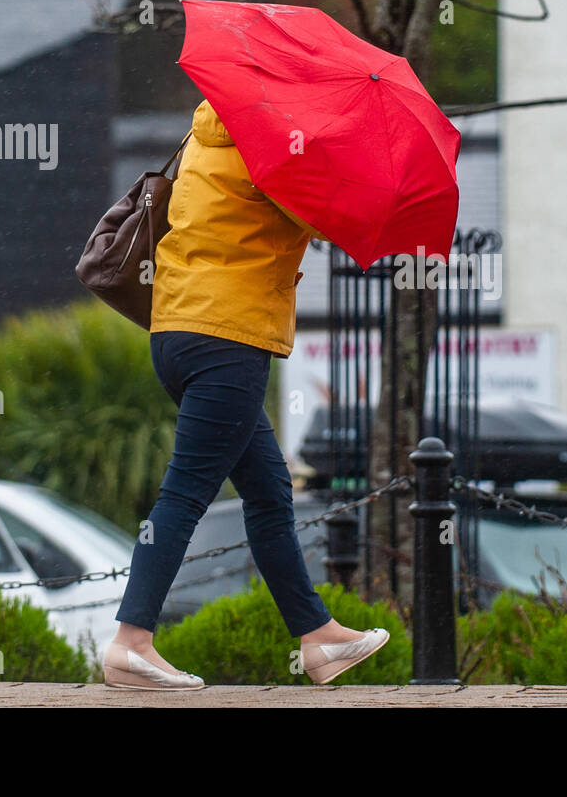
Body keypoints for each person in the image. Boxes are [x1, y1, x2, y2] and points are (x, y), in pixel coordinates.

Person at [102, 98, 388, 690]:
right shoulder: (274, 144)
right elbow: (330, 218)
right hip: (227, 338)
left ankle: (319, 638)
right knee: (185, 494)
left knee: (267, 488)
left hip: (176, 330)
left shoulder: (207, 131)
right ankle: (131, 643)